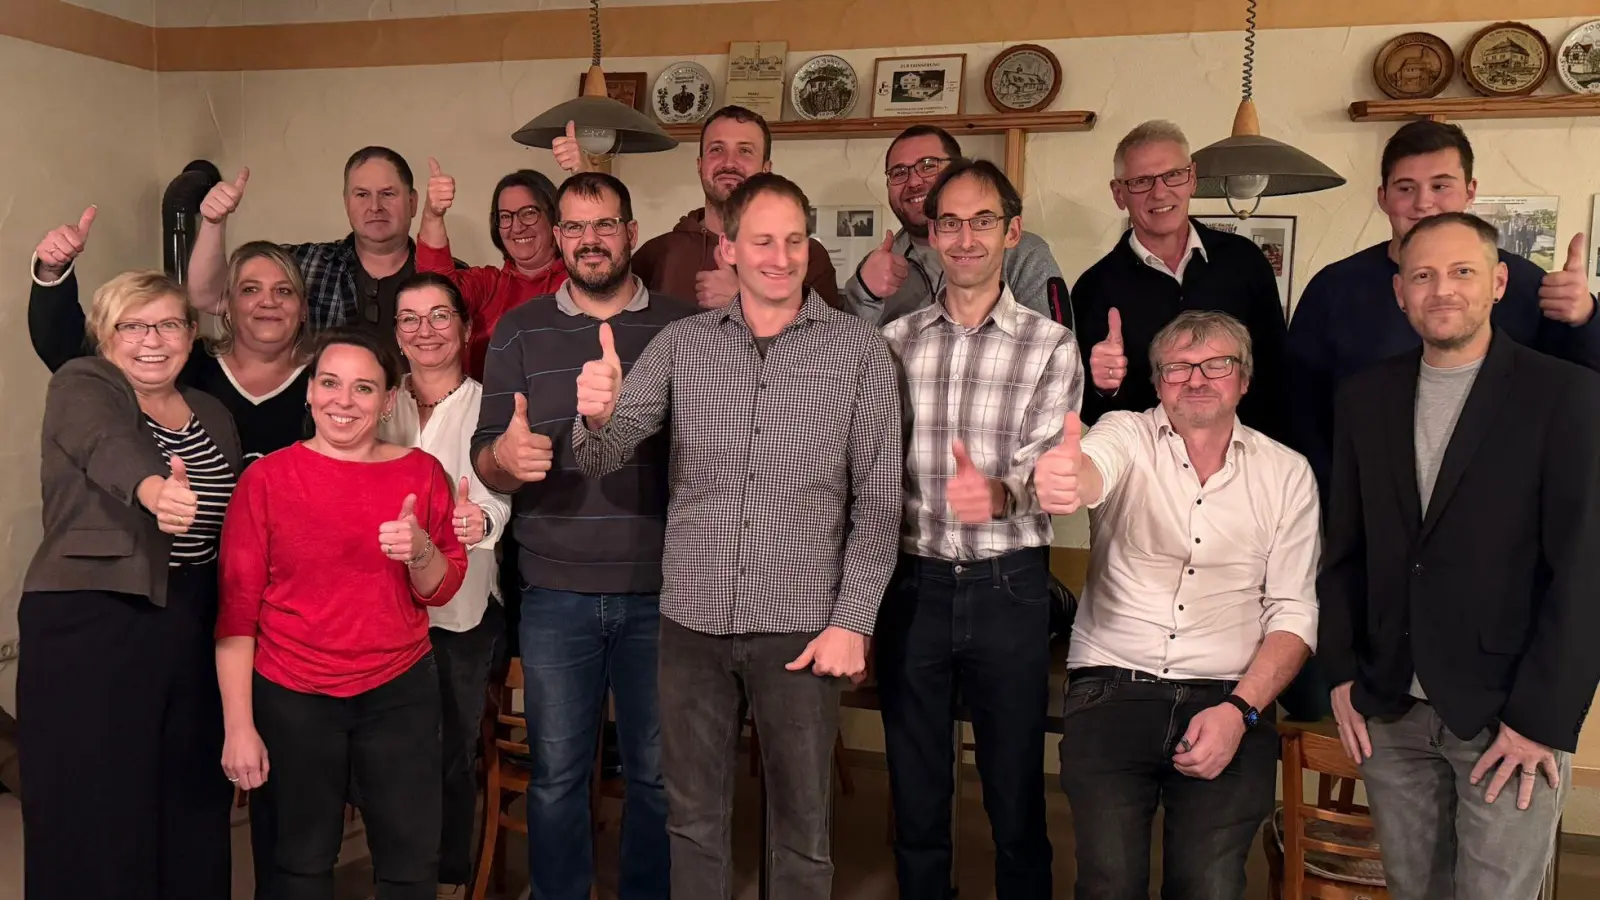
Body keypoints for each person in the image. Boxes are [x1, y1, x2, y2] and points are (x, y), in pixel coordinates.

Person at [569, 173, 901, 900]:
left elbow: (878, 503)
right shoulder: (682, 345)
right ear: (729, 248)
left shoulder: (860, 353)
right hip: (692, 622)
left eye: (792, 240)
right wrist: (595, 415)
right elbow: (602, 454)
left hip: (803, 631)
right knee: (692, 822)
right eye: (762, 240)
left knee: (803, 830)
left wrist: (853, 620)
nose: (779, 257)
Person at [1318, 212, 1600, 900]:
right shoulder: (1364, 398)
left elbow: (1586, 570)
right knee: (1415, 891)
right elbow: (1345, 548)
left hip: (1510, 718)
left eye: (1462, 272)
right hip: (1391, 711)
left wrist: (1542, 720)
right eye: (1423, 275)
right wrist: (1339, 673)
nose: (1442, 290)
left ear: (1498, 283)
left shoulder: (1566, 396)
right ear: (1400, 293)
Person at [1039, 310, 1319, 900]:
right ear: (1157, 381)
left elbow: (1294, 614)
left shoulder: (1288, 474)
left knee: (1210, 887)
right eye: (1177, 369)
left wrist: (1241, 711)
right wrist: (1071, 478)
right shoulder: (1125, 432)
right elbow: (1093, 471)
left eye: (1217, 365)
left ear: (1244, 380)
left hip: (1230, 696)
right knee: (1108, 882)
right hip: (1112, 685)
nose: (1197, 379)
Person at [472, 171, 688, 900]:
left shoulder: (683, 327)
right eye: (573, 227)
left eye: (605, 225)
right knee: (558, 775)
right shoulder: (519, 329)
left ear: (631, 231)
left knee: (658, 779)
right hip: (556, 592)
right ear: (558, 238)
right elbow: (486, 455)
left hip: (664, 594)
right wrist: (504, 461)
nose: (589, 240)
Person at [876, 158, 1082, 900]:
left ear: (1012, 232)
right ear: (929, 236)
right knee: (917, 789)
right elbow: (870, 470)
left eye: (982, 221)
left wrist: (996, 493)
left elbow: (1053, 470)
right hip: (913, 585)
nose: (965, 238)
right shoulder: (893, 343)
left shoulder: (1051, 346)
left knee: (1015, 790)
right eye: (950, 223)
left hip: (1009, 588)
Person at [216, 330, 468, 900]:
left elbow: (443, 589)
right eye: (329, 383)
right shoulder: (266, 480)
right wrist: (238, 727)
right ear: (309, 392)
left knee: (409, 862)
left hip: (399, 691)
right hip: (291, 694)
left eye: (363, 388)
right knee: (296, 865)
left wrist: (420, 549)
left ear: (387, 401)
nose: (343, 401)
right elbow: (236, 615)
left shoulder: (421, 474)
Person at [19, 270, 241, 900]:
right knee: (94, 805)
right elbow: (105, 445)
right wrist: (154, 491)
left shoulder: (212, 414)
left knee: (191, 793)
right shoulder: (83, 383)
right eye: (132, 325)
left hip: (191, 616)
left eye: (168, 324)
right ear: (105, 335)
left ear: (191, 334)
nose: (151, 339)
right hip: (90, 618)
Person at [1286, 120, 1599, 494]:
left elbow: (1578, 401)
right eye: (1406, 188)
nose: (1423, 202)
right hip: (1369, 505)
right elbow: (1297, 407)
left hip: (1499, 507)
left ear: (1470, 191)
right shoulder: (1334, 288)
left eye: (1440, 185)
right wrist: (1335, 494)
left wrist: (1586, 317)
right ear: (1383, 196)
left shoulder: (1526, 283)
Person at [380, 273, 511, 900]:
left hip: (459, 612)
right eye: (410, 318)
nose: (425, 330)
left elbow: (501, 492)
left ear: (464, 328)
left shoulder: (492, 404)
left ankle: (448, 879)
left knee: (448, 754)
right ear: (397, 335)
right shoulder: (375, 400)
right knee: (385, 752)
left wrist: (479, 519)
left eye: (439, 316)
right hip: (379, 609)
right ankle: (396, 873)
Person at [32, 207, 311, 466]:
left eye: (284, 291)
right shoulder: (178, 360)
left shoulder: (327, 380)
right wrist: (53, 269)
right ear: (226, 305)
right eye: (250, 290)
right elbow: (69, 352)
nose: (268, 301)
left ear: (303, 310)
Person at [1070, 120, 1289, 442]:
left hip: (1245, 463)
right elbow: (1091, 412)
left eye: (1173, 175)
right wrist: (1106, 387)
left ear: (1193, 178)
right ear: (1119, 194)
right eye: (1142, 181)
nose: (1160, 192)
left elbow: (1278, 370)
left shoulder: (1245, 262)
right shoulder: (1094, 287)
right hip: (1146, 472)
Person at [554, 106, 842, 310]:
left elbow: (833, 346)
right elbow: (599, 287)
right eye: (717, 149)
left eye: (745, 150)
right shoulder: (658, 254)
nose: (729, 162)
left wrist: (746, 299)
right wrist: (585, 178)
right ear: (700, 165)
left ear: (766, 169)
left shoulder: (804, 255)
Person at [186, 147, 427, 356]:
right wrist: (213, 224)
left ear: (412, 202)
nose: (375, 207)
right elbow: (210, 297)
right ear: (346, 202)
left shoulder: (445, 274)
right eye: (362, 194)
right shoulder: (302, 265)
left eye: (388, 194)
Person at [845, 125, 1065, 327]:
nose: (913, 182)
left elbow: (1049, 346)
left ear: (957, 172)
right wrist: (864, 294)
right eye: (899, 173)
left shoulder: (1025, 253)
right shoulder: (875, 266)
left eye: (928, 165)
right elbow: (843, 362)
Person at [415, 159, 567, 379]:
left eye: (528, 213)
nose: (516, 226)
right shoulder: (488, 284)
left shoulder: (580, 283)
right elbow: (434, 291)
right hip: (487, 411)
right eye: (506, 217)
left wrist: (586, 171)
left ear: (553, 216)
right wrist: (433, 215)